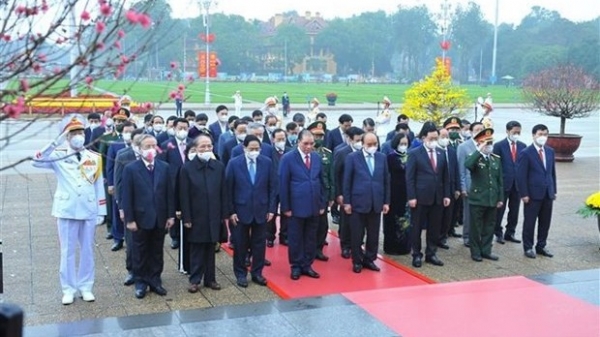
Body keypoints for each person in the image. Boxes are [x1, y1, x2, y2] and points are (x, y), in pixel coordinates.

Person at [32, 116, 106, 305]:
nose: (78, 136)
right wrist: (56, 141)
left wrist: (101, 211)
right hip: (67, 209)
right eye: (73, 133)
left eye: (80, 132)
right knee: (67, 251)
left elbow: (98, 185)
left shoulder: (94, 157)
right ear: (66, 135)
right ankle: (68, 289)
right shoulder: (58, 154)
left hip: (88, 208)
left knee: (87, 249)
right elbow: (37, 161)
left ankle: (86, 286)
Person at [121, 134, 175, 299]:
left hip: (160, 217)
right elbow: (126, 196)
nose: (151, 150)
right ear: (140, 149)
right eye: (147, 147)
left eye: (154, 146)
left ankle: (155, 280)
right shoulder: (131, 169)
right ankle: (141, 282)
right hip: (140, 218)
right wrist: (129, 219)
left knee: (157, 251)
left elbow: (169, 193)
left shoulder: (164, 167)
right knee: (140, 251)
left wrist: (171, 216)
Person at [226, 135, 278, 288]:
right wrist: (231, 212)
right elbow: (228, 189)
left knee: (259, 244)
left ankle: (257, 272)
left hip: (261, 210)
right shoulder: (234, 163)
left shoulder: (267, 163)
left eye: (257, 149)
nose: (254, 151)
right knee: (240, 245)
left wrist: (271, 209)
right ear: (244, 149)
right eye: (251, 149)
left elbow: (272, 187)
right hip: (240, 211)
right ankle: (241, 274)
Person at [179, 134, 228, 292]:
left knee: (211, 247)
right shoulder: (187, 168)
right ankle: (195, 279)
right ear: (196, 149)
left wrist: (224, 214)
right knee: (197, 248)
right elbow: (184, 195)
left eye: (209, 146)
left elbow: (223, 191)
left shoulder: (218, 166)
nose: (206, 149)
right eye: (203, 147)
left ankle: (210, 279)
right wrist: (186, 217)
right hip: (196, 215)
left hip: (213, 213)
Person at [279, 130, 326, 280]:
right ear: (298, 142)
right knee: (296, 238)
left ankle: (307, 264)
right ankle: (296, 266)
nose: (309, 146)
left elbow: (321, 181)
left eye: (311, 143)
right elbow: (283, 184)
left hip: (314, 206)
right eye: (305, 143)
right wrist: (285, 207)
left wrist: (322, 203)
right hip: (296, 207)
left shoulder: (316, 158)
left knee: (311, 237)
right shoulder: (288, 158)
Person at [343, 132, 390, 273]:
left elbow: (386, 181)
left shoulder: (382, 158)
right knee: (357, 235)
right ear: (363, 144)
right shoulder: (352, 158)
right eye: (369, 144)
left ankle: (370, 259)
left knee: (373, 234)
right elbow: (347, 181)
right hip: (358, 202)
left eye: (375, 144)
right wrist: (347, 202)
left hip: (376, 202)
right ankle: (357, 261)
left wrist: (386, 202)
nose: (372, 147)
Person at [405, 122, 451, 268]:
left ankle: (431, 253)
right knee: (417, 227)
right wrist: (411, 197)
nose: (434, 142)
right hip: (420, 197)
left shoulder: (441, 153)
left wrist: (446, 195)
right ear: (424, 137)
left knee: (434, 227)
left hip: (437, 197)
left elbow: (445, 177)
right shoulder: (414, 153)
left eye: (435, 138)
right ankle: (416, 254)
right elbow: (410, 177)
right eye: (431, 139)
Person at [517, 124, 557, 259]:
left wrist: (554, 190)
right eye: (540, 134)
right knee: (530, 222)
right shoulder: (526, 153)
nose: (543, 137)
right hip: (532, 194)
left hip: (547, 193)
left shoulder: (550, 151)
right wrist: (524, 194)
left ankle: (541, 245)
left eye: (545, 134)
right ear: (534, 135)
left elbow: (552, 173)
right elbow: (521, 176)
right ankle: (528, 247)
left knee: (545, 222)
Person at [465, 128, 504, 262]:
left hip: (491, 199)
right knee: (476, 227)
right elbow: (468, 165)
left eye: (490, 143)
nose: (489, 146)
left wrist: (500, 198)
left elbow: (499, 181)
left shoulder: (495, 159)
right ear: (479, 143)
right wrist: (479, 151)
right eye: (486, 143)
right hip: (478, 199)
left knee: (489, 226)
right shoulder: (474, 157)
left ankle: (486, 250)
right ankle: (475, 252)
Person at [114, 128, 145, 286]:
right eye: (138, 141)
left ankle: (148, 272)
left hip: (147, 205)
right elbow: (119, 184)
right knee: (131, 240)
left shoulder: (152, 154)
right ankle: (132, 270)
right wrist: (121, 207)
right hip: (130, 205)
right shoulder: (123, 155)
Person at [158, 118, 191, 251]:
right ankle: (175, 236)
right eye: (180, 128)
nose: (183, 131)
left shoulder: (192, 144)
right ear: (174, 129)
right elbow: (161, 166)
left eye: (185, 128)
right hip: (172, 182)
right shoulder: (166, 145)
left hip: (189, 182)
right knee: (174, 208)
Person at [98, 108, 130, 240]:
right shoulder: (107, 137)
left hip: (130, 178)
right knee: (113, 207)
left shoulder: (133, 136)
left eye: (122, 120)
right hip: (113, 178)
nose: (119, 123)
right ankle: (113, 231)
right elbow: (103, 158)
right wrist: (106, 178)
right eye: (117, 120)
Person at [333, 127, 365, 258]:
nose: (360, 143)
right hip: (346, 193)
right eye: (357, 140)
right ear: (350, 139)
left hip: (361, 192)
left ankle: (358, 244)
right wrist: (338, 194)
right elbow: (336, 174)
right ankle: (345, 246)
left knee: (361, 221)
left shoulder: (364, 152)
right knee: (346, 221)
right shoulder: (342, 153)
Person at [492, 121, 526, 244]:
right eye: (514, 132)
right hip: (503, 183)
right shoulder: (499, 146)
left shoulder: (523, 146)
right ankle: (498, 232)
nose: (516, 134)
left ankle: (510, 232)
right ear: (507, 131)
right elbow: (495, 166)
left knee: (514, 210)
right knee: (499, 210)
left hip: (517, 185)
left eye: (518, 132)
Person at [106, 121, 136, 251]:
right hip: (120, 184)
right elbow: (110, 166)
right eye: (126, 132)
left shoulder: (143, 146)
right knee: (118, 211)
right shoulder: (115, 145)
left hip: (135, 185)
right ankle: (118, 238)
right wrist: (111, 184)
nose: (128, 134)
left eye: (131, 131)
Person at [307, 121, 334, 261]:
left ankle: (318, 249)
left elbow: (331, 176)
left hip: (322, 195)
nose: (318, 138)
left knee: (322, 225)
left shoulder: (327, 153)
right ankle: (307, 250)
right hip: (307, 195)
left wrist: (331, 196)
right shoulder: (299, 152)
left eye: (321, 136)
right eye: (315, 135)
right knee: (307, 225)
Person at [457, 122, 485, 247]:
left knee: (482, 213)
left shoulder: (487, 145)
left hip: (483, 185)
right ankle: (467, 236)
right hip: (470, 185)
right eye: (477, 129)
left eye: (482, 129)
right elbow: (461, 169)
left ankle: (479, 235)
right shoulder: (464, 147)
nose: (480, 131)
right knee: (469, 213)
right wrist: (462, 187)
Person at [383, 132, 411, 255]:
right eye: (401, 144)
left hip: (407, 193)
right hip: (393, 193)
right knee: (392, 221)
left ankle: (404, 246)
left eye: (405, 143)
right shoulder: (390, 157)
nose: (403, 146)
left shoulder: (411, 156)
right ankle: (391, 247)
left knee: (406, 221)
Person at [267, 128, 293, 247]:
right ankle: (270, 236)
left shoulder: (290, 151)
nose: (281, 141)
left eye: (283, 139)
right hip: (272, 187)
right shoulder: (267, 151)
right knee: (271, 212)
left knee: (286, 212)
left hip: (287, 187)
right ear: (273, 139)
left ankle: (285, 236)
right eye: (279, 139)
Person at [437, 126, 461, 249]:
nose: (445, 139)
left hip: (451, 188)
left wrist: (457, 188)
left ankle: (443, 237)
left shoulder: (451, 151)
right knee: (438, 216)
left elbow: (456, 170)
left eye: (447, 137)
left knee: (448, 215)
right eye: (443, 137)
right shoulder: (435, 150)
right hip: (438, 190)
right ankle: (435, 237)